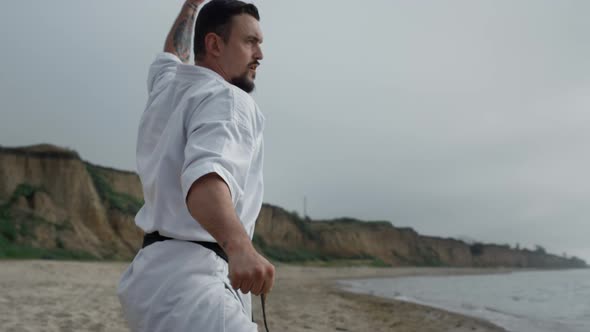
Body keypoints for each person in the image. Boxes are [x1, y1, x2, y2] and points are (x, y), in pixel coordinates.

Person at [117, 0, 275, 331]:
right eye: (250, 42)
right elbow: (206, 180)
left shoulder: (168, 86)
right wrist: (240, 247)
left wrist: (192, 5)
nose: (260, 54)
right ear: (214, 44)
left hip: (149, 283)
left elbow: (171, 54)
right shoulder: (228, 99)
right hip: (199, 288)